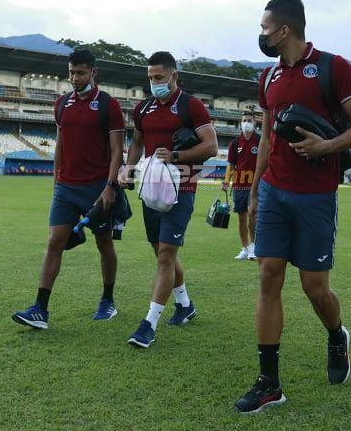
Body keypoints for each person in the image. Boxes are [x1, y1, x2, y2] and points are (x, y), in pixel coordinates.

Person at [233, 0, 351, 414]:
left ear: (285, 30)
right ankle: (269, 383)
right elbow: (265, 140)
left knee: (314, 287)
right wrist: (256, 190)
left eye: (265, 28)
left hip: (316, 196)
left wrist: (327, 145)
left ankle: (335, 335)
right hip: (275, 190)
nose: (261, 35)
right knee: (268, 277)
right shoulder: (268, 77)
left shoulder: (333, 67)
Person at [12, 49, 125, 329]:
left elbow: (117, 151)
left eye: (81, 73)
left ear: (93, 73)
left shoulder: (109, 105)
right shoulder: (62, 104)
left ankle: (107, 300)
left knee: (104, 243)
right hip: (66, 186)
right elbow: (60, 145)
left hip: (98, 187)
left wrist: (111, 186)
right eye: (71, 72)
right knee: (54, 242)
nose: (74, 78)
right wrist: (56, 183)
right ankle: (40, 308)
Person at [119, 51, 218, 349]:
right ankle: (185, 305)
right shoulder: (143, 108)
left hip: (182, 187)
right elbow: (137, 142)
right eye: (150, 77)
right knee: (163, 253)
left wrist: (176, 156)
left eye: (159, 77)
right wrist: (128, 167)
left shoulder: (191, 106)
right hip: (151, 188)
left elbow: (211, 146)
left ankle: (148, 324)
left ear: (174, 76)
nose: (154, 82)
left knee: (165, 254)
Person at [223, 111, 260, 259]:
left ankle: (254, 247)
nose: (246, 123)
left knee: (253, 216)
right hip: (239, 186)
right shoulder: (235, 143)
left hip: (255, 186)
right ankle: (245, 248)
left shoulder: (260, 141)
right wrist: (226, 182)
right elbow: (231, 165)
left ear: (255, 123)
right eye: (244, 120)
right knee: (241, 218)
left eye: (249, 120)